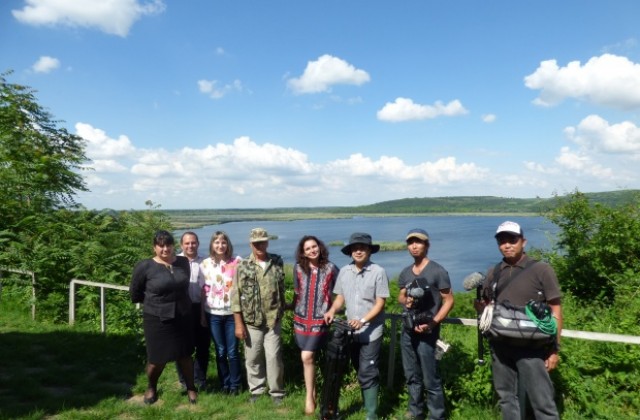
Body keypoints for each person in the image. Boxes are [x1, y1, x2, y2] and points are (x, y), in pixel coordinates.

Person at [476, 221, 562, 419]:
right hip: (500, 346)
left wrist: (554, 349)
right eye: (502, 241)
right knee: (506, 398)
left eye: (512, 240)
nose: (507, 245)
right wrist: (481, 308)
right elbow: (489, 304)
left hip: (532, 348)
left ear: (523, 241)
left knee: (542, 401)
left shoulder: (541, 270)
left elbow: (556, 309)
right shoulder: (494, 272)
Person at [323, 232, 390, 420]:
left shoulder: (378, 272)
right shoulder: (344, 271)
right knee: (358, 368)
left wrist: (362, 320)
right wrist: (331, 311)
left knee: (368, 370)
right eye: (355, 248)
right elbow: (340, 298)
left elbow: (380, 303)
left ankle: (371, 415)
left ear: (369, 250)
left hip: (371, 331)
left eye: (362, 248)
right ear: (350, 251)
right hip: (351, 332)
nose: (358, 251)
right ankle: (366, 404)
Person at [129, 230, 198, 405]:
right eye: (161, 245)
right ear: (155, 247)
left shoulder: (183, 262)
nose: (165, 249)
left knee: (185, 355)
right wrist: (155, 304)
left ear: (173, 246)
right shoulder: (145, 266)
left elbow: (183, 286)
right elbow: (135, 292)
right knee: (156, 359)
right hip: (156, 318)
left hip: (182, 315)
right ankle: (151, 386)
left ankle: (191, 388)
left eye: (168, 245)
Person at [398, 228, 454, 420]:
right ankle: (415, 412)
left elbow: (449, 300)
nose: (414, 246)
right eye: (410, 242)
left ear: (427, 245)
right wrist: (405, 300)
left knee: (431, 378)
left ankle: (437, 415)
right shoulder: (406, 272)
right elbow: (400, 295)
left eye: (418, 242)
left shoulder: (437, 271)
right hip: (408, 329)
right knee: (411, 375)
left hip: (428, 332)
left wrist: (434, 322)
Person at [231, 228, 286, 405]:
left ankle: (276, 392)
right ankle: (256, 389)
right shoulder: (243, 265)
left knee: (274, 357)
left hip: (273, 320)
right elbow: (236, 296)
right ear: (251, 244)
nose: (260, 245)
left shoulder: (277, 261)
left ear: (267, 242)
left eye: (263, 242)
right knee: (253, 358)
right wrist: (238, 324)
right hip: (251, 321)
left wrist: (283, 309)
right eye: (256, 243)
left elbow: (281, 290)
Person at [291, 235, 339, 415]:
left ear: (320, 247)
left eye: (314, 246)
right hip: (301, 320)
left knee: (306, 356)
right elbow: (297, 293)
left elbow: (340, 291)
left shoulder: (331, 268)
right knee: (308, 359)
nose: (312, 250)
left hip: (320, 320)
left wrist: (333, 309)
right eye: (308, 248)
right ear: (303, 252)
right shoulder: (297, 268)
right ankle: (313, 391)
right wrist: (290, 306)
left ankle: (308, 397)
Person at [199, 231, 242, 395]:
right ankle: (224, 383)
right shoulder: (205, 264)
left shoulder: (237, 261)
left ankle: (235, 385)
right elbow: (204, 291)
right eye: (217, 242)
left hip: (232, 314)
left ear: (228, 244)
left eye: (223, 242)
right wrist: (202, 315)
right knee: (220, 351)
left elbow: (242, 288)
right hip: (213, 314)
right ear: (212, 245)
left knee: (232, 352)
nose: (220, 245)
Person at [176, 231, 209, 391]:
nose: (190, 246)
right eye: (187, 243)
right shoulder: (175, 261)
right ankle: (184, 380)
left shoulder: (205, 261)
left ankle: (200, 379)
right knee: (183, 347)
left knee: (202, 346)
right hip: (182, 309)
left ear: (198, 243)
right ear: (181, 245)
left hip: (201, 308)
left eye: (193, 242)